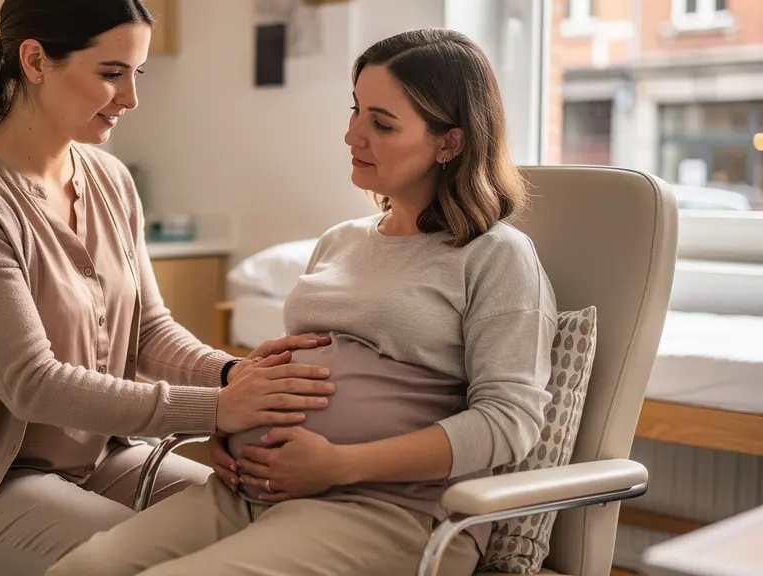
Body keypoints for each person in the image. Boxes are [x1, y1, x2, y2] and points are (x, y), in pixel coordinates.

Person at [46, 28, 558, 576]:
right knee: (83, 569)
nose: (351, 135)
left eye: (381, 123)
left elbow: (510, 422)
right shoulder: (341, 240)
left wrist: (338, 464)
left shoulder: (495, 255)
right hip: (252, 491)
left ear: (449, 143)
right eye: (356, 110)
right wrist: (229, 423)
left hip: (391, 509)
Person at [0, 1, 337, 575]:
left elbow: (149, 332)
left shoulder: (111, 179)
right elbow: (32, 384)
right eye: (111, 73)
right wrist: (217, 410)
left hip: (101, 457)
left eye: (136, 73)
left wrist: (235, 375)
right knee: (154, 562)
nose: (131, 99)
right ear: (35, 60)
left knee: (269, 520)